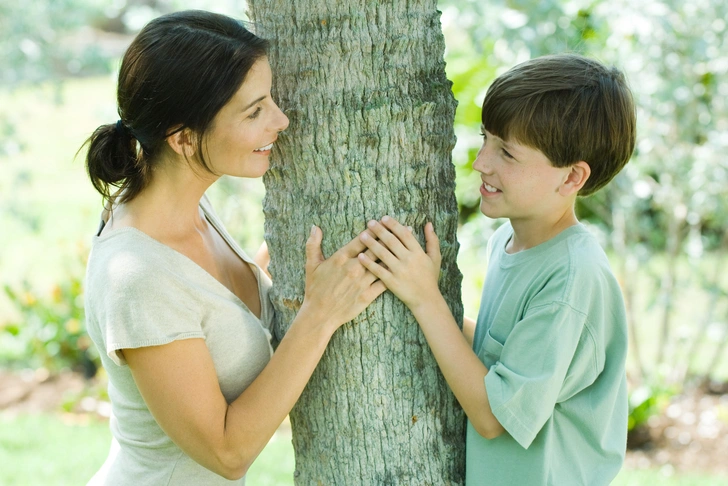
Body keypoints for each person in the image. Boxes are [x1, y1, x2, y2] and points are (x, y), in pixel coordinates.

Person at [82, 10, 385, 485]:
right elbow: (226, 453)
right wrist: (320, 312)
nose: (281, 121)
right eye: (255, 110)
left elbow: (209, 309)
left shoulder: (187, 213)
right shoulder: (138, 276)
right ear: (183, 137)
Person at [357, 53, 636, 485]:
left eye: (507, 152)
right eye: (486, 138)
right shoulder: (509, 241)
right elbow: (499, 356)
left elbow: (495, 417)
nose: (481, 162)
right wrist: (423, 292)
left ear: (571, 178)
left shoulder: (571, 275)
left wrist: (425, 298)